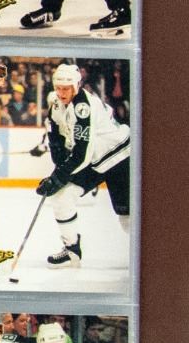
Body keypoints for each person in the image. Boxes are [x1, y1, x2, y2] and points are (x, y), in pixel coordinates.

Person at [35, 63, 131, 268]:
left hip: (119, 158)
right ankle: (72, 251)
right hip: (94, 159)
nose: (62, 93)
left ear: (76, 86)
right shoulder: (56, 104)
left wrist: (58, 178)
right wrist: (57, 172)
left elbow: (81, 155)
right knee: (61, 197)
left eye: (66, 88)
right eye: (58, 88)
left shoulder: (83, 107)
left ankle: (148, 251)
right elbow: (57, 142)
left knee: (127, 220)